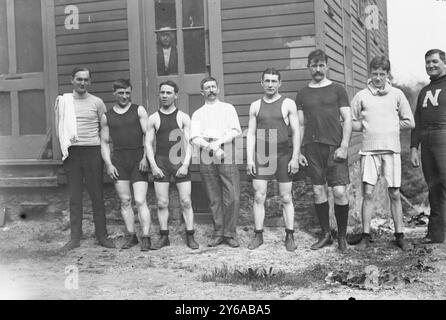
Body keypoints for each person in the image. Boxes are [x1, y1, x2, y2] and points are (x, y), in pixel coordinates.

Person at [351, 56, 415, 250]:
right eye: (375, 74)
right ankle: (365, 235)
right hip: (369, 151)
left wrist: (389, 126)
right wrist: (367, 125)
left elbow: (409, 122)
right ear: (370, 74)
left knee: (394, 193)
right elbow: (349, 121)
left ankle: (400, 235)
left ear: (387, 75)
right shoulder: (361, 95)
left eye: (382, 74)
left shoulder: (397, 94)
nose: (378, 78)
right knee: (368, 193)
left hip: (391, 150)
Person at [296, 49, 352, 252]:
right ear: (308, 67)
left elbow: (348, 119)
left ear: (327, 67)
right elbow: (300, 125)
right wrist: (299, 151)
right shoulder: (302, 93)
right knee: (318, 190)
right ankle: (326, 234)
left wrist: (344, 146)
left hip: (335, 147)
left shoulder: (338, 90)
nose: (318, 69)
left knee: (339, 191)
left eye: (321, 65)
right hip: (311, 148)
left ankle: (342, 236)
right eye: (314, 65)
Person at [55, 67, 115, 251]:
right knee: (75, 196)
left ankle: (102, 236)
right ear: (71, 80)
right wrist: (64, 149)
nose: (82, 83)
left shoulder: (97, 102)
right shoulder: (63, 101)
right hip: (72, 153)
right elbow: (58, 127)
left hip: (93, 151)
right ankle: (74, 238)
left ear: (90, 82)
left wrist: (107, 156)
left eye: (86, 80)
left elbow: (104, 129)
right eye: (79, 79)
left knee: (97, 194)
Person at [246, 68, 301, 252]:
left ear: (280, 83)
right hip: (263, 152)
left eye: (274, 81)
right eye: (267, 81)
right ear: (261, 83)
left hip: (283, 153)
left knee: (286, 197)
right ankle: (258, 235)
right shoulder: (255, 105)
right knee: (259, 196)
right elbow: (251, 133)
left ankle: (290, 235)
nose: (270, 84)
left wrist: (294, 157)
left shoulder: (288, 104)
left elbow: (296, 132)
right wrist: (250, 159)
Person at [145, 80, 199, 250]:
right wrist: (153, 166)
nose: (165, 96)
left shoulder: (183, 117)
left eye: (169, 93)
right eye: (162, 92)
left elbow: (189, 142)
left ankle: (190, 235)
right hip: (161, 162)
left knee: (186, 201)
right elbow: (148, 144)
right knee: (162, 202)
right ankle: (164, 236)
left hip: (179, 162)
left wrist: (185, 164)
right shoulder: (153, 118)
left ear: (176, 95)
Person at [100, 79, 152, 251]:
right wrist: (108, 164)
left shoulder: (139, 110)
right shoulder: (107, 116)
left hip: (138, 158)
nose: (124, 96)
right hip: (119, 161)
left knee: (139, 200)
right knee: (125, 200)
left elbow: (148, 137)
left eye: (127, 93)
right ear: (114, 93)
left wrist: (146, 158)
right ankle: (131, 236)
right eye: (121, 93)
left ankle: (146, 237)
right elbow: (105, 142)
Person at [190, 77, 242, 248]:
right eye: (207, 87)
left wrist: (218, 144)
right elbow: (195, 136)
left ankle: (230, 233)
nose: (211, 90)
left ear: (218, 89)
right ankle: (218, 232)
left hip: (226, 147)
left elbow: (236, 130)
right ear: (202, 92)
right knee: (213, 195)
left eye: (213, 87)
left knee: (232, 194)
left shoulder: (228, 108)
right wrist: (211, 147)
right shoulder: (198, 113)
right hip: (206, 151)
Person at [411, 49, 446, 244]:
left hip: (444, 136)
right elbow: (417, 121)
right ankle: (436, 233)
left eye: (434, 62)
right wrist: (414, 147)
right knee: (434, 187)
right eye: (427, 63)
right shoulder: (424, 91)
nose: (430, 65)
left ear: (444, 63)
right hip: (427, 140)